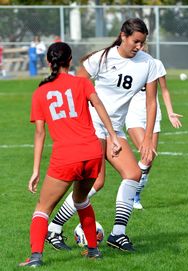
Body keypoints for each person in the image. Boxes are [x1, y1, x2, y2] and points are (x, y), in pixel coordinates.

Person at [46, 17, 158, 253]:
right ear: (123, 36)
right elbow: (74, 86)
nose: (139, 46)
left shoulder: (148, 63)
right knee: (96, 181)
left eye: (142, 42)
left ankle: (118, 234)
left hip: (114, 129)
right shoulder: (102, 58)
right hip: (92, 126)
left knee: (133, 174)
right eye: (135, 41)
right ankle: (54, 228)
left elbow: (151, 102)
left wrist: (147, 138)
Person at [19, 42, 122, 267]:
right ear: (70, 60)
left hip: (66, 157)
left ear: (48, 63)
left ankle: (36, 256)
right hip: (92, 151)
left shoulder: (41, 92)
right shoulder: (82, 83)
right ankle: (93, 250)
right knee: (81, 199)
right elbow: (99, 105)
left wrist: (36, 170)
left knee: (43, 207)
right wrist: (113, 137)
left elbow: (39, 133)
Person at [126, 44, 183, 209]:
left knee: (149, 160)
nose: (140, 47)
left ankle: (136, 191)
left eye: (142, 44)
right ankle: (131, 192)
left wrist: (170, 112)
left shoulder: (156, 64)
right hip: (133, 115)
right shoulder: (128, 64)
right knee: (147, 154)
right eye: (137, 44)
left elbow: (164, 90)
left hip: (153, 115)